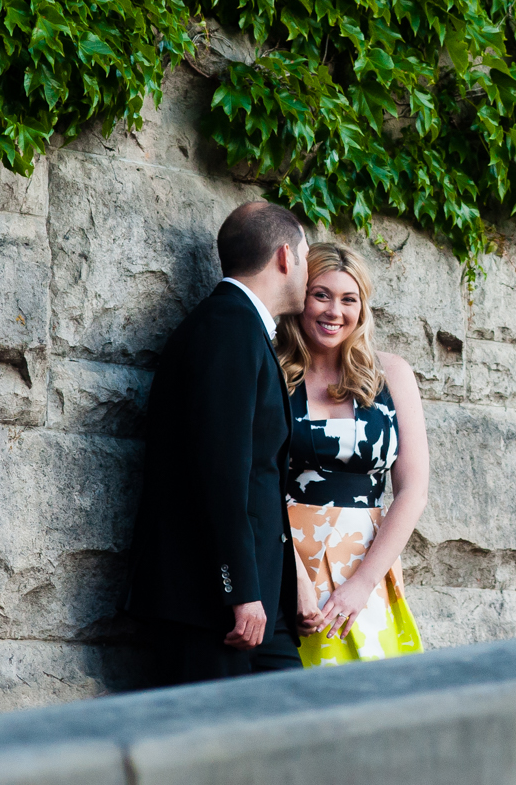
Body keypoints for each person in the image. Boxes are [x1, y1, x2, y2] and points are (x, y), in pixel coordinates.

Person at [127, 200, 309, 684]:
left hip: (256, 609)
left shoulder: (241, 329)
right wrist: (239, 590)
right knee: (206, 751)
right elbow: (221, 471)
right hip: (214, 609)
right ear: (286, 257)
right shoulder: (228, 329)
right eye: (307, 258)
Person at [275, 242, 430, 665]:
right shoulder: (271, 370)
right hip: (285, 557)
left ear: (362, 307)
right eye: (321, 294)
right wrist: (294, 579)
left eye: (349, 299)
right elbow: (254, 479)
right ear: (300, 297)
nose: (334, 311)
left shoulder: (391, 374)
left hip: (364, 567)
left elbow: (413, 490)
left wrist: (362, 584)